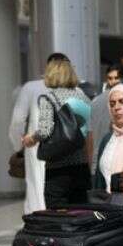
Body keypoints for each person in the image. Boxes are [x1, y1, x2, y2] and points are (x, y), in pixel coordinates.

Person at [24, 56, 91, 208]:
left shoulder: (49, 98)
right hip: (81, 165)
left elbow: (45, 130)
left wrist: (31, 139)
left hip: (58, 167)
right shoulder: (83, 96)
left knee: (57, 214)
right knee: (80, 212)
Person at [9, 54, 59, 213]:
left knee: (37, 187)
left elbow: (18, 120)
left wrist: (18, 146)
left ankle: (38, 223)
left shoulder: (31, 87)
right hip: (67, 146)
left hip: (36, 145)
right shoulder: (74, 89)